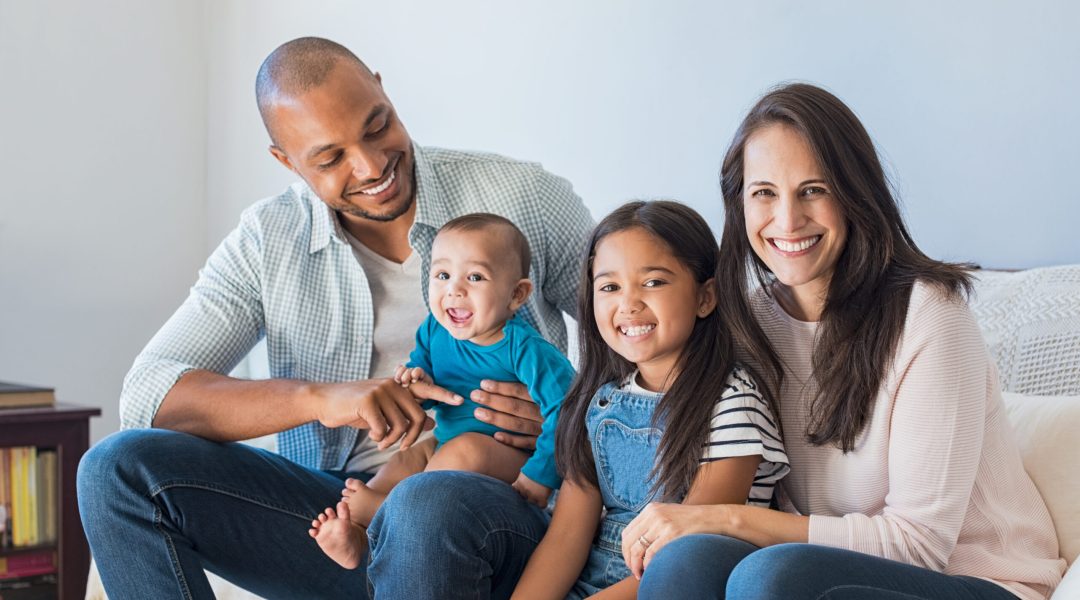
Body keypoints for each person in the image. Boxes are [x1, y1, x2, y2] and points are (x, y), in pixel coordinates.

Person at [76, 37, 594, 599]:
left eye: (377, 127)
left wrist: (566, 421)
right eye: (330, 158)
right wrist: (321, 399)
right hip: (347, 514)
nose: (372, 166)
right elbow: (149, 395)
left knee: (428, 498)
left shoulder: (523, 198)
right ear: (286, 160)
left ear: (381, 87)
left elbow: (639, 344)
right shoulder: (267, 241)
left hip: (494, 505)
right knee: (115, 469)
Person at [629, 84, 1067, 599]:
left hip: (980, 581)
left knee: (769, 575)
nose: (788, 221)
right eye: (764, 193)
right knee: (688, 559)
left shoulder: (929, 315)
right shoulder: (746, 318)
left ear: (854, 194)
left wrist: (727, 519)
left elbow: (919, 546)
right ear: (740, 202)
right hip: (822, 574)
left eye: (813, 190)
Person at [512, 200, 789, 599]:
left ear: (705, 297)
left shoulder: (732, 404)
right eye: (609, 287)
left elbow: (685, 555)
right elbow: (566, 537)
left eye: (654, 282)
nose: (628, 303)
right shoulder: (600, 403)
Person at [310, 213, 575, 570]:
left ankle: (387, 512)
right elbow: (424, 375)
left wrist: (540, 476)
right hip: (445, 448)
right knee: (407, 459)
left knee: (466, 450)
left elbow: (569, 409)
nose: (455, 290)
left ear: (517, 294)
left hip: (506, 459)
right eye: (443, 275)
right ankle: (359, 534)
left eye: (475, 277)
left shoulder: (526, 349)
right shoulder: (435, 329)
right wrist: (414, 382)